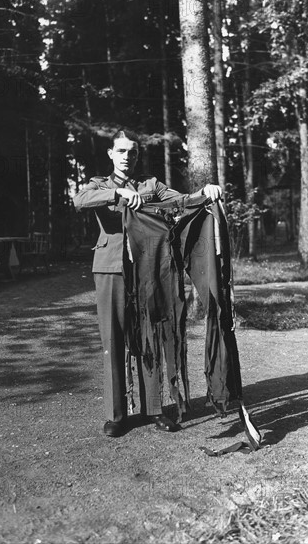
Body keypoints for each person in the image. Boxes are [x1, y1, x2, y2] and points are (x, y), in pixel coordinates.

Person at [73, 130, 222, 437]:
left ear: (137, 156)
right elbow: (79, 200)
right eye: (121, 151)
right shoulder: (99, 184)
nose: (127, 156)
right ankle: (116, 414)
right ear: (111, 154)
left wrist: (205, 192)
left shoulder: (149, 185)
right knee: (113, 340)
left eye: (132, 152)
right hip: (111, 270)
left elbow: (181, 201)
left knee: (149, 335)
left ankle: (154, 410)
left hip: (147, 269)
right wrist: (117, 195)